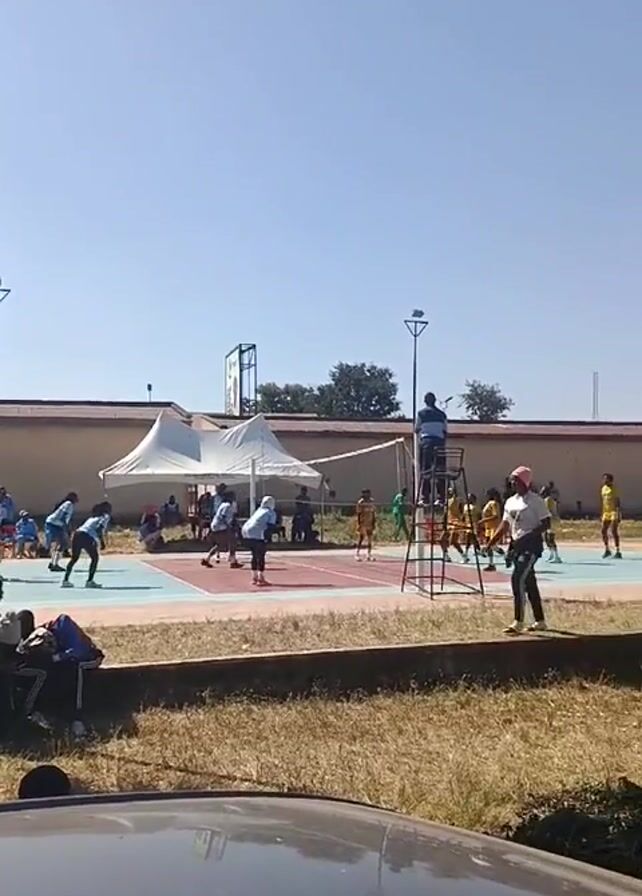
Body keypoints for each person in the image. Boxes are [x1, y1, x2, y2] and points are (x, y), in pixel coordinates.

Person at [487, 466, 550, 635]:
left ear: (525, 481)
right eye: (512, 480)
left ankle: (518, 621)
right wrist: (491, 542)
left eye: (516, 480)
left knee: (517, 579)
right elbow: (505, 524)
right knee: (529, 582)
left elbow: (546, 523)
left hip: (531, 546)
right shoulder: (510, 502)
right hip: (517, 546)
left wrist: (529, 535)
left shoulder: (536, 501)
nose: (513, 483)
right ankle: (540, 621)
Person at [61, 501, 111, 589]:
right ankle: (90, 581)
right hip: (86, 536)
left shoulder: (92, 518)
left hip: (77, 534)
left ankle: (65, 580)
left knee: (74, 558)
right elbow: (99, 529)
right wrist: (101, 542)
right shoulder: (105, 517)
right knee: (95, 558)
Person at [415, 392, 448, 504]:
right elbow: (445, 431)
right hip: (439, 444)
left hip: (426, 443)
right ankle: (441, 497)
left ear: (425, 401)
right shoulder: (442, 415)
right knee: (440, 471)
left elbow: (416, 429)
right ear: (435, 401)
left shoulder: (421, 414)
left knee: (425, 470)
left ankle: (425, 497)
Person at [241, 496, 276, 586]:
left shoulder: (259, 510)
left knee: (254, 555)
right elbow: (270, 527)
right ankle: (261, 577)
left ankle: (254, 577)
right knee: (261, 555)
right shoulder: (270, 513)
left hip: (246, 532)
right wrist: (267, 539)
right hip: (257, 534)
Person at [201, 490, 237, 568]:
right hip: (220, 526)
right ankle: (233, 561)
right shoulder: (227, 506)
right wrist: (228, 526)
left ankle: (207, 559)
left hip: (217, 526)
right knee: (232, 541)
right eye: (232, 496)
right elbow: (223, 516)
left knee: (221, 544)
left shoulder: (224, 505)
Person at [45, 492, 79, 572]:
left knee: (58, 544)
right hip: (55, 524)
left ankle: (52, 563)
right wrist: (65, 528)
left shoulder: (67, 504)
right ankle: (55, 564)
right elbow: (63, 516)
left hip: (53, 523)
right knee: (62, 544)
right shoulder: (69, 504)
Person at [480, 488, 503, 572]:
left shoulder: (494, 503)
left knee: (492, 545)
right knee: (489, 546)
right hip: (488, 528)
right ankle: (491, 564)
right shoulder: (489, 503)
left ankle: (506, 556)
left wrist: (483, 520)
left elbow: (495, 516)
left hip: (494, 527)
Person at [600, 473, 622, 559]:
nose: (605, 481)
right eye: (604, 479)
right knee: (603, 531)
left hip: (613, 512)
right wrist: (602, 513)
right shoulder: (603, 489)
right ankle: (607, 549)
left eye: (607, 479)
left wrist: (618, 513)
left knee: (613, 531)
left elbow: (617, 501)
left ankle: (618, 550)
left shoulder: (614, 489)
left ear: (611, 480)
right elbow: (603, 502)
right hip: (606, 512)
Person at [540, 485, 562, 563]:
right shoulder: (546, 500)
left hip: (552, 521)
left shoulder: (548, 500)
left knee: (550, 538)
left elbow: (549, 511)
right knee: (546, 538)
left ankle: (557, 556)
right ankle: (552, 554)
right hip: (550, 520)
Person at [444, 487, 465, 562]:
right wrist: (444, 523)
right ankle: (446, 556)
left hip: (456, 522)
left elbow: (461, 510)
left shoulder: (456, 500)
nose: (448, 492)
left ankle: (464, 556)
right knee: (441, 539)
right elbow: (446, 513)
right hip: (449, 522)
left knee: (453, 541)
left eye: (450, 491)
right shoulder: (446, 501)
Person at [355, 489, 376, 561]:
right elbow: (358, 513)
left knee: (370, 539)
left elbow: (373, 512)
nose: (368, 495)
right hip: (363, 522)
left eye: (368, 493)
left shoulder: (371, 501)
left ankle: (368, 554)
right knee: (361, 538)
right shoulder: (361, 502)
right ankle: (357, 554)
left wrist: (373, 522)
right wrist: (359, 523)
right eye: (366, 493)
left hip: (369, 522)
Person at [462, 493, 481, 563]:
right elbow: (464, 516)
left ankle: (466, 554)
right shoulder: (465, 506)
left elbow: (479, 516)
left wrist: (479, 525)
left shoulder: (476, 507)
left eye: (470, 498)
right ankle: (478, 550)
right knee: (472, 538)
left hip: (474, 524)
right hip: (467, 524)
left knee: (469, 538)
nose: (469, 499)